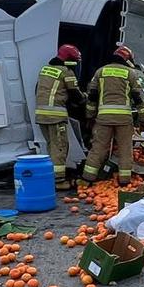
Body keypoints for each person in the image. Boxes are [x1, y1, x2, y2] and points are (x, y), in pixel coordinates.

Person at [81, 45, 144, 186]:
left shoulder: (100, 72)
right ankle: (124, 181)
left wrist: (89, 116)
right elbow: (139, 99)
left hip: (103, 118)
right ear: (127, 59)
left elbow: (92, 97)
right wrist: (143, 120)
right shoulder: (131, 73)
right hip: (124, 119)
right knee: (125, 149)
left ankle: (87, 179)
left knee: (98, 148)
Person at [35, 44, 87, 189]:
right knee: (60, 148)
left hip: (41, 115)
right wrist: (85, 101)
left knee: (52, 147)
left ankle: (50, 177)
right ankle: (58, 181)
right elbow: (75, 94)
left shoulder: (45, 69)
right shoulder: (66, 72)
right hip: (55, 116)